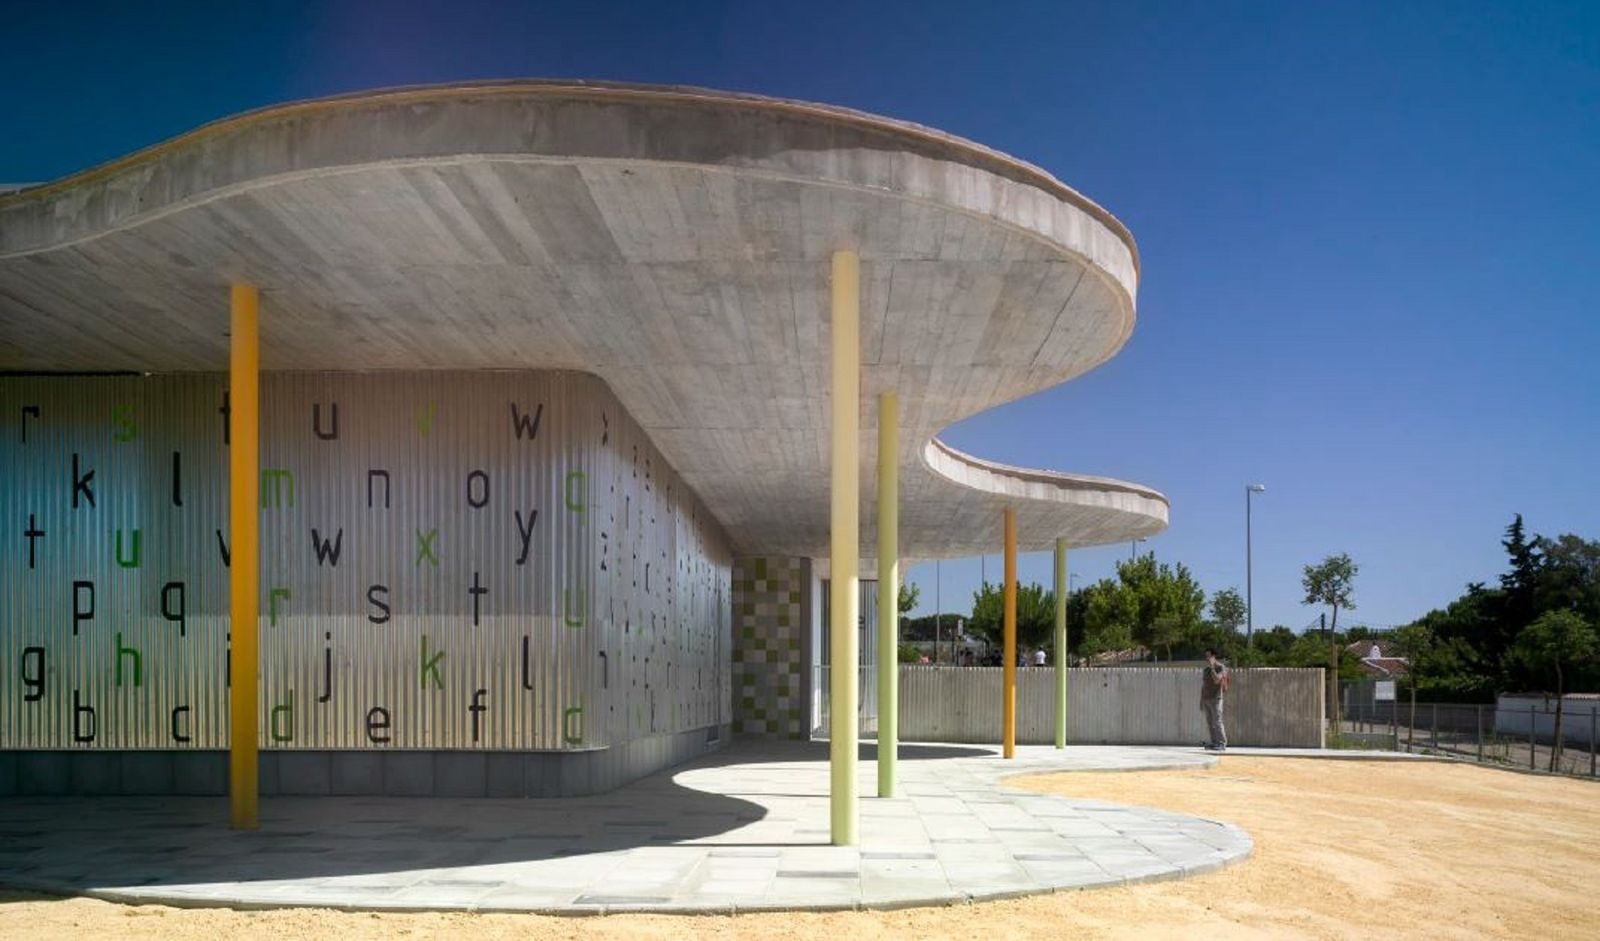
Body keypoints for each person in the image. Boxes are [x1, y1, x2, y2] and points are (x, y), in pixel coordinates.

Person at [1200, 647, 1229, 751]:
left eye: (1209, 656)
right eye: (1206, 656)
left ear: (1214, 656)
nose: (1207, 658)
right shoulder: (1206, 670)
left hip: (1216, 699)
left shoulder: (1221, 667)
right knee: (1210, 722)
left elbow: (1217, 680)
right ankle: (1214, 742)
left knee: (1217, 721)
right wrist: (1201, 700)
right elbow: (1204, 686)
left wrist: (1212, 667)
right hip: (1206, 699)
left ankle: (1221, 743)